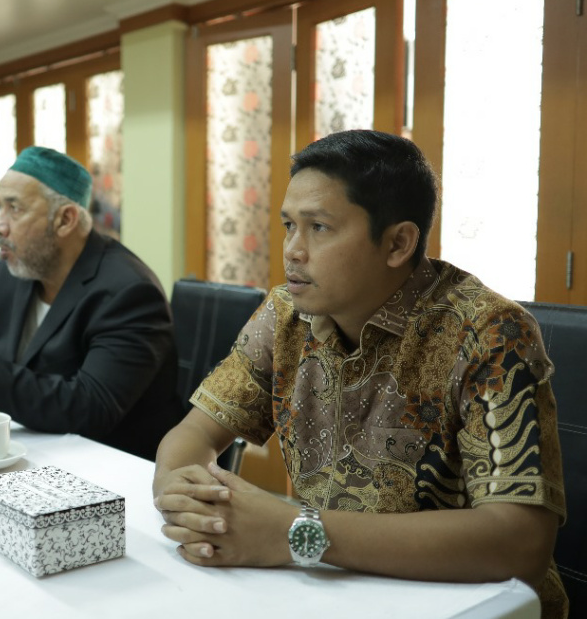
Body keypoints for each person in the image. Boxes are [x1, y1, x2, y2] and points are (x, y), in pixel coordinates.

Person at [152, 130, 567, 618]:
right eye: (288, 226)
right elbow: (196, 433)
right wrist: (185, 497)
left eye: (319, 227)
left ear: (398, 243)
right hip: (330, 590)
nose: (292, 250)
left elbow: (519, 542)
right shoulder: (285, 314)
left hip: (467, 604)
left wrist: (293, 532)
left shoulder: (488, 332)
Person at [0, 146, 183, 461]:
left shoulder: (127, 292)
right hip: (35, 448)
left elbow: (91, 408)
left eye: (14, 208)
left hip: (113, 466)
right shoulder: (13, 273)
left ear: (65, 220)